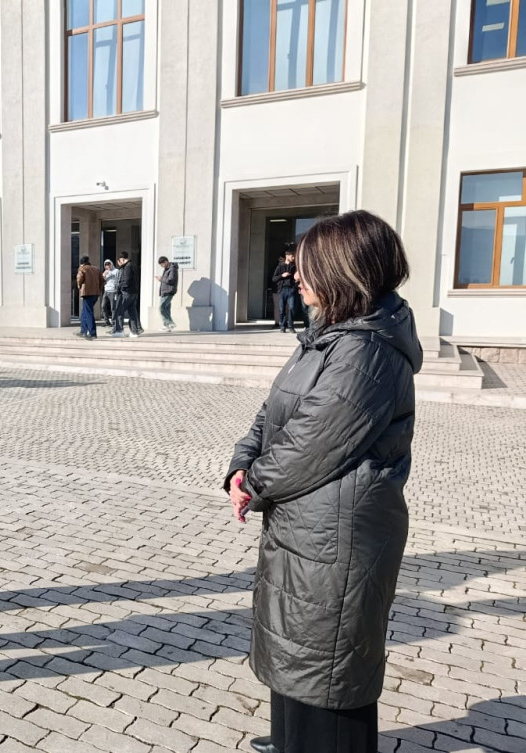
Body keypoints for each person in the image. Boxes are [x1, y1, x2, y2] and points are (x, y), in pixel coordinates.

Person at [224, 210, 421, 753]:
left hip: (338, 531)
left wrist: (254, 483)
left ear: (344, 270)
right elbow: (275, 410)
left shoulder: (366, 350)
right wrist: (241, 463)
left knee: (328, 662)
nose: (295, 275)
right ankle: (292, 741)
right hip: (305, 522)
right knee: (298, 650)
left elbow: (314, 441)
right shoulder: (328, 334)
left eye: (307, 266)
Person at [112, 251, 143, 338]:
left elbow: (126, 281)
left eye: (119, 260)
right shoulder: (133, 265)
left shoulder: (127, 267)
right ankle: (134, 332)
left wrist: (120, 287)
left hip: (126, 292)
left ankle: (119, 331)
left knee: (119, 311)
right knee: (132, 312)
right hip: (134, 292)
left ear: (122, 259)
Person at [75, 256, 103, 340]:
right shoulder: (96, 269)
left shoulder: (82, 269)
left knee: (88, 312)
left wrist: (79, 286)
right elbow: (102, 280)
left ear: (82, 263)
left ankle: (92, 333)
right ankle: (83, 331)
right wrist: (99, 289)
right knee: (84, 312)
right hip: (95, 293)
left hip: (86, 293)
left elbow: (79, 279)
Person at [272, 246, 298, 333]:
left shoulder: (294, 267)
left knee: (291, 308)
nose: (293, 258)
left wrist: (295, 286)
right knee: (281, 309)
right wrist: (282, 276)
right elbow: (274, 278)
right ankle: (282, 326)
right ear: (287, 256)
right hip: (282, 290)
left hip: (291, 289)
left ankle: (291, 326)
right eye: (292, 256)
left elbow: (296, 278)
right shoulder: (280, 266)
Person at [155, 255, 178, 331]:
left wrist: (161, 279)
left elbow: (171, 280)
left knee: (161, 308)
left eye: (162, 264)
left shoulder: (172, 269)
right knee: (166, 309)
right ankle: (167, 326)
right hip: (166, 291)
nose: (162, 266)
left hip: (168, 291)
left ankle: (170, 323)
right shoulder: (167, 269)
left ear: (166, 262)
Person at [101, 259, 118, 328]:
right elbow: (103, 280)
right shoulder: (105, 272)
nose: (107, 266)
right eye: (106, 265)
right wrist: (103, 275)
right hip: (106, 290)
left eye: (109, 264)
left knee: (113, 307)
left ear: (111, 264)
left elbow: (118, 279)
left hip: (113, 291)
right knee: (103, 306)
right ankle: (107, 322)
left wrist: (110, 273)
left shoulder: (116, 271)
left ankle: (114, 322)